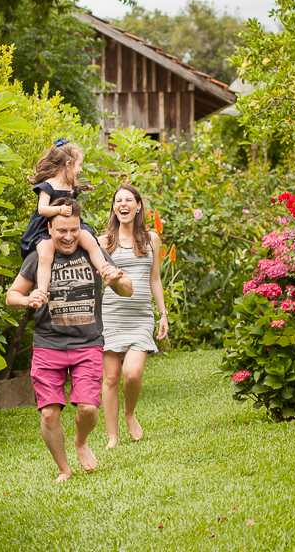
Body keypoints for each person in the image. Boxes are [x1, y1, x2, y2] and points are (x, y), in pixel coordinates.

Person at [7, 198, 133, 481]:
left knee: (88, 409)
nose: (68, 236)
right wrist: (28, 300)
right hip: (47, 345)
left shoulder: (93, 252)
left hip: (87, 343)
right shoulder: (38, 257)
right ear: (49, 228)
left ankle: (81, 440)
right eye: (61, 230)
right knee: (49, 414)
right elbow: (11, 295)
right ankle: (64, 468)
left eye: (74, 230)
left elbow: (128, 288)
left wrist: (115, 279)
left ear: (81, 228)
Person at [98, 185, 169, 449]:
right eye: (118, 201)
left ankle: (129, 414)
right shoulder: (103, 242)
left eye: (129, 200)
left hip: (140, 317)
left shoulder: (151, 239)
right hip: (110, 316)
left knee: (132, 373)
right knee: (111, 378)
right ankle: (112, 437)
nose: (123, 204)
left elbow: (155, 279)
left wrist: (163, 314)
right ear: (114, 208)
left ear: (138, 206)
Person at [19, 138, 108, 298]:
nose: (81, 169)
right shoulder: (48, 185)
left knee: (90, 240)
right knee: (46, 255)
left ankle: (105, 270)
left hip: (69, 227)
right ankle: (41, 291)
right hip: (44, 228)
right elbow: (42, 209)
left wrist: (83, 187)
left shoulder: (70, 186)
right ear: (68, 164)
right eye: (79, 165)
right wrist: (59, 209)